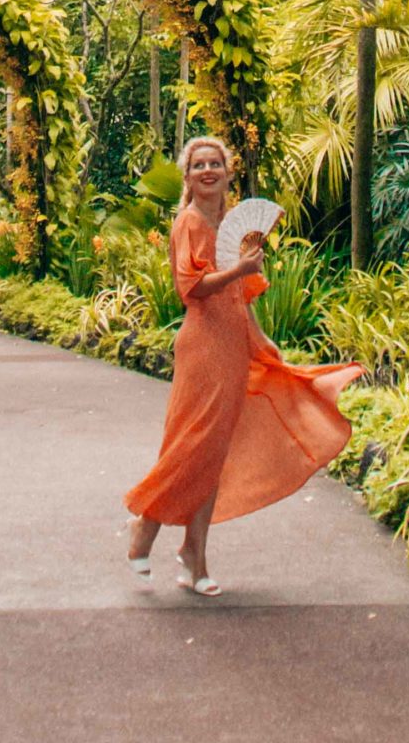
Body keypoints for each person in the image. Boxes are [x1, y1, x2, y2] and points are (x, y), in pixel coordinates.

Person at [123, 134, 363, 596]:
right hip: (203, 348)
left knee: (213, 454)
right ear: (188, 177)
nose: (208, 171)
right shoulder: (189, 223)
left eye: (216, 163)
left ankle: (194, 555)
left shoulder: (227, 224)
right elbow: (191, 288)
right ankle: (146, 526)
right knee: (193, 445)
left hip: (233, 344)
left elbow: (241, 296)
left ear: (229, 173)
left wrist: (261, 338)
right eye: (198, 166)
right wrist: (239, 269)